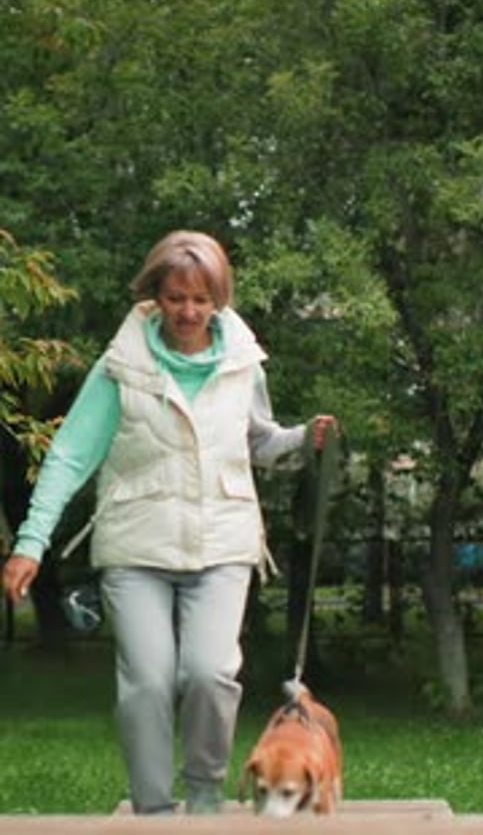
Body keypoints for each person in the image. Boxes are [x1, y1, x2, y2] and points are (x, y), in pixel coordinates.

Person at [2, 230, 337, 815]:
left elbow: (258, 440)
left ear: (219, 300)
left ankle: (205, 803)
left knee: (210, 673)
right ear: (154, 295)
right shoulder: (121, 368)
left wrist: (303, 441)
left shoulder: (242, 363)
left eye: (201, 299)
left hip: (223, 544)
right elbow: (70, 457)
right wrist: (31, 542)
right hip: (137, 548)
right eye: (176, 297)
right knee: (149, 684)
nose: (188, 311)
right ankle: (154, 814)